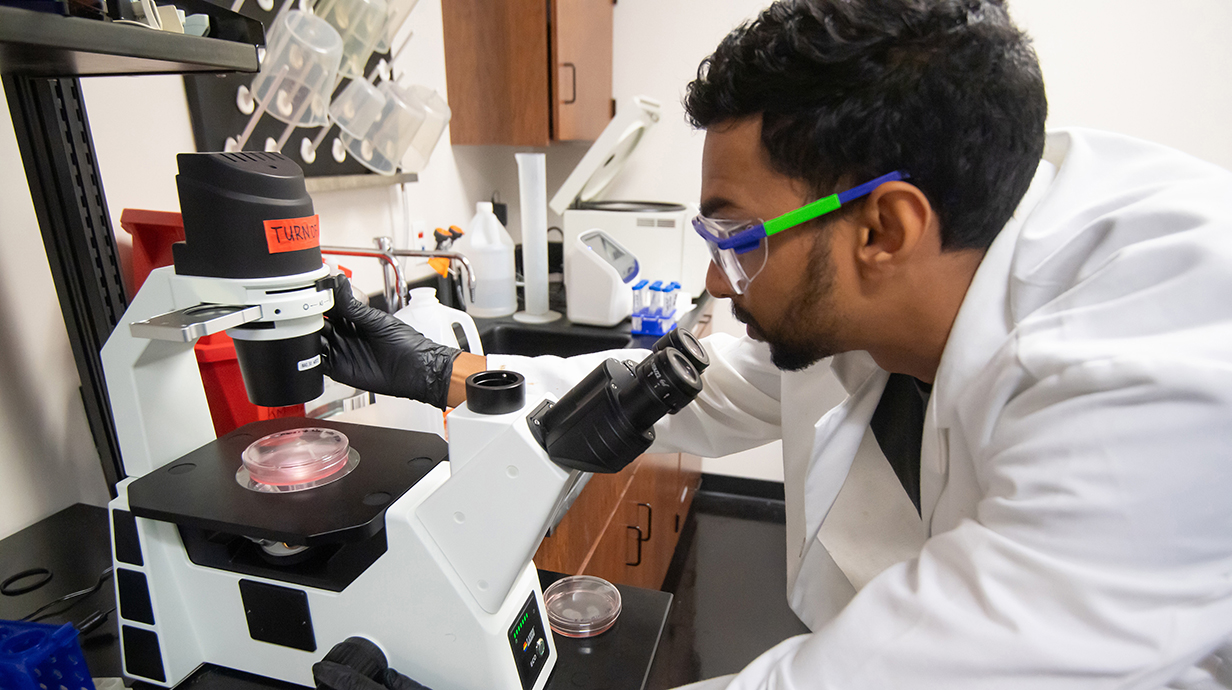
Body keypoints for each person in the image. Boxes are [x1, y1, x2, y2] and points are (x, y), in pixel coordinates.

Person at [320, 0, 1232, 687]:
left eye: (738, 240)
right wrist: (447, 370)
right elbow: (696, 384)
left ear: (883, 230)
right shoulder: (935, 249)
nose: (716, 282)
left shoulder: (1153, 367)